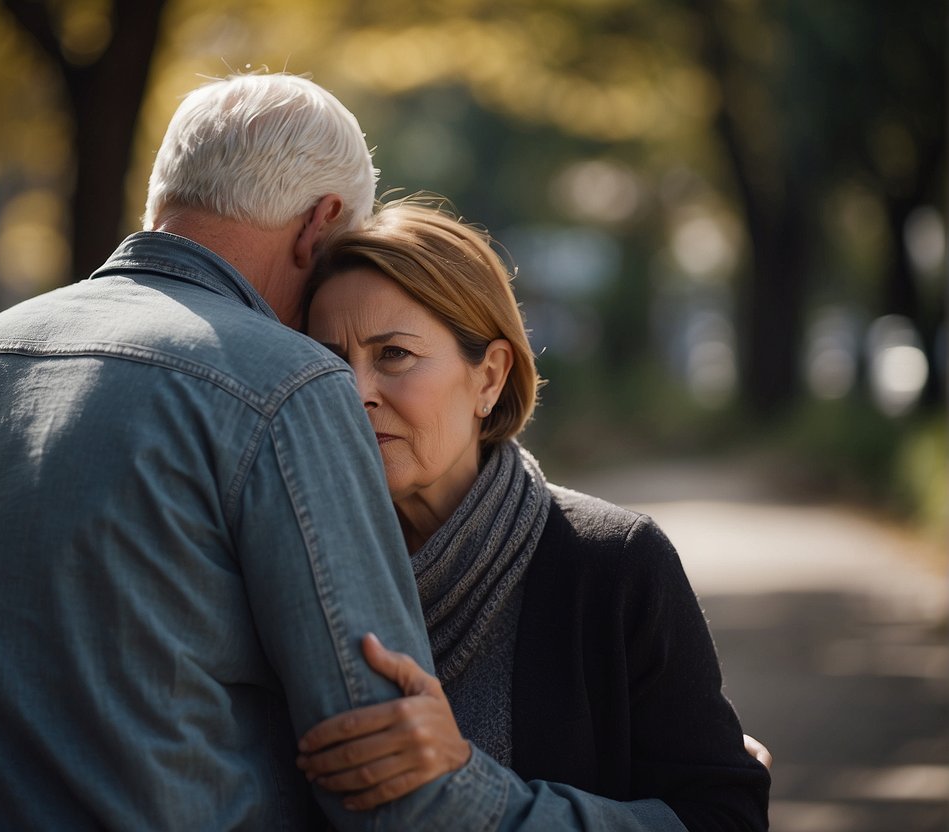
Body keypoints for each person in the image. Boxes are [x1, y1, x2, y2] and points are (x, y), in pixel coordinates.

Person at [0, 74, 697, 830]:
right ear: (321, 225)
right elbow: (388, 789)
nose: (352, 380)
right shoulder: (280, 382)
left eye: (394, 353)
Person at [296, 198, 772, 828]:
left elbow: (724, 817)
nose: (355, 392)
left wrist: (473, 792)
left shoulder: (612, 563)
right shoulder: (298, 565)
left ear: (489, 377)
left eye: (394, 355)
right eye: (330, 361)